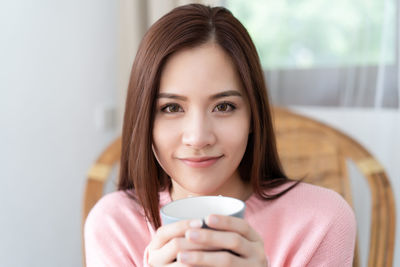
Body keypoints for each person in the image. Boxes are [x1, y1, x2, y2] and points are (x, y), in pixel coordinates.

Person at [84, 4, 356, 267]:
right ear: (145, 120)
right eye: (171, 107)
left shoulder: (322, 220)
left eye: (224, 107)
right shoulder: (114, 225)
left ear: (253, 115)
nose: (199, 138)